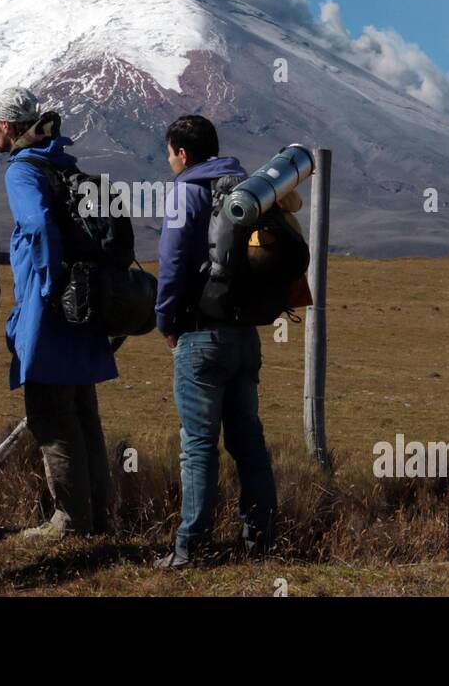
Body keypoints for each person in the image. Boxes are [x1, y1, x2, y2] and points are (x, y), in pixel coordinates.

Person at [0, 87, 117, 539]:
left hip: (51, 307)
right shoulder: (62, 162)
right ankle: (99, 516)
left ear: (7, 126)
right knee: (83, 414)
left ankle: (70, 521)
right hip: (84, 305)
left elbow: (39, 225)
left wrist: (46, 286)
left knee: (51, 414)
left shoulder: (23, 170)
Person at [154, 114, 278, 568]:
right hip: (245, 334)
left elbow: (170, 263)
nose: (168, 161)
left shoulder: (185, 191)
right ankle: (261, 541)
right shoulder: (249, 190)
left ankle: (191, 549)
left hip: (200, 335)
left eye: (169, 153)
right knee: (248, 440)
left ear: (182, 154)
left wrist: (165, 321)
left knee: (199, 445)